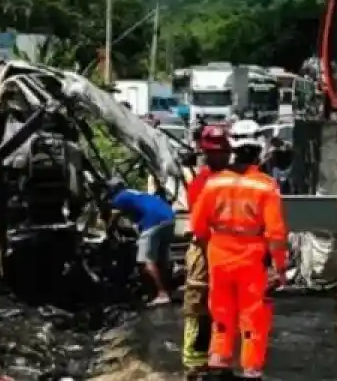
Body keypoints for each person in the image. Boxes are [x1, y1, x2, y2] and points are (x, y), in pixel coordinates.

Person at [190, 143, 288, 379]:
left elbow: (198, 226)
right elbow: (275, 233)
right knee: (253, 317)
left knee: (221, 313)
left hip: (219, 256)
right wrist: (280, 266)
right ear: (259, 154)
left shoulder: (214, 183)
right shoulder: (265, 185)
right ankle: (251, 370)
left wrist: (209, 249)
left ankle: (218, 363)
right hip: (252, 259)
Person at [182, 125, 232, 378]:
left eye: (222, 152)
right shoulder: (201, 183)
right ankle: (195, 364)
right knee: (199, 304)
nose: (219, 157)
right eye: (214, 152)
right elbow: (201, 229)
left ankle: (218, 361)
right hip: (206, 249)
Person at [106, 177, 176, 306]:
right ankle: (167, 290)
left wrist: (109, 232)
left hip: (153, 222)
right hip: (169, 218)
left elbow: (113, 220)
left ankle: (162, 293)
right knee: (161, 259)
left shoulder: (119, 198)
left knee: (145, 261)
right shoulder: (135, 193)